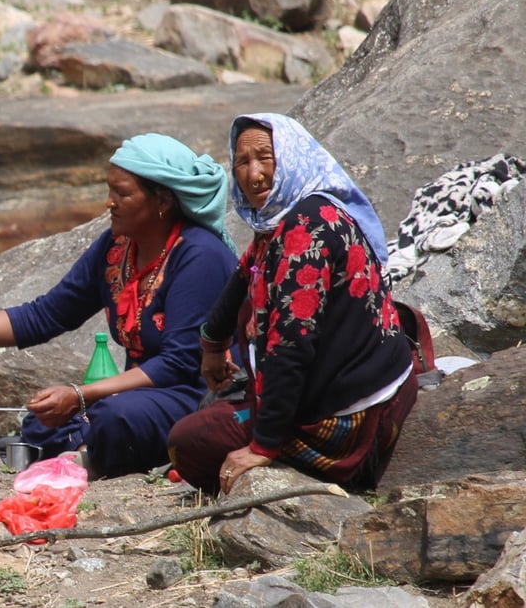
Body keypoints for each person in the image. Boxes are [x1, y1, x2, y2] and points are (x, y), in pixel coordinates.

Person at [0, 134, 238, 478]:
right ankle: (89, 452)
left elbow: (178, 364)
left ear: (162, 201)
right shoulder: (116, 247)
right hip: (141, 394)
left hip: (196, 395)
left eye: (122, 193)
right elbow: (45, 315)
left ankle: (91, 454)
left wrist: (80, 396)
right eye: (109, 190)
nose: (109, 203)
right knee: (41, 419)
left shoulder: (199, 256)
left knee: (116, 416)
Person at [167, 113, 417, 495]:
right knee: (214, 405)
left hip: (346, 416)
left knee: (189, 440)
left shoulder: (305, 227)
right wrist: (212, 344)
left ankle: (314, 468)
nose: (254, 175)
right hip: (370, 383)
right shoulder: (290, 217)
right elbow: (246, 271)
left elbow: (291, 343)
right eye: (242, 163)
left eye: (265, 158)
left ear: (290, 158)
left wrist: (262, 446)